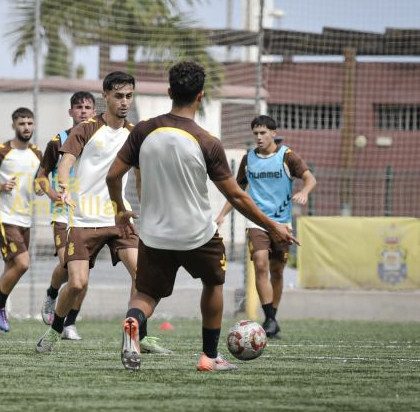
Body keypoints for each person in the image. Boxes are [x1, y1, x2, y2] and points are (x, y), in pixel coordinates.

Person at [106, 61, 297, 371]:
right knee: (212, 283)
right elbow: (235, 195)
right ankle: (209, 357)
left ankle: (133, 321)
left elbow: (113, 177)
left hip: (154, 233)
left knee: (146, 294)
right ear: (201, 96)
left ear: (170, 92)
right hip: (198, 234)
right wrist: (272, 224)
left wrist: (119, 210)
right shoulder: (207, 141)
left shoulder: (142, 131)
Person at [36, 71, 170, 355]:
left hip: (119, 218)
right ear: (105, 96)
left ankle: (138, 335)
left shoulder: (134, 134)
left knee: (143, 276)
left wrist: (150, 208)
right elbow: (66, 162)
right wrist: (63, 184)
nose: (125, 102)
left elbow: (140, 176)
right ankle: (54, 330)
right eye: (119, 96)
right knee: (76, 284)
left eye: (129, 96)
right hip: (84, 219)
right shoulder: (86, 128)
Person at [215, 115, 316, 338]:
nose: (259, 137)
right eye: (255, 134)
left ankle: (272, 317)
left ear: (273, 133)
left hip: (282, 223)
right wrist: (222, 214)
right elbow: (237, 192)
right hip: (257, 222)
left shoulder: (287, 156)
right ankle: (269, 318)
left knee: (277, 270)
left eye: (263, 133)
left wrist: (304, 192)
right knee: (260, 263)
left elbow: (310, 178)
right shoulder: (248, 159)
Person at [0, 107, 42, 334]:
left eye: (30, 123)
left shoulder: (37, 153)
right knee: (23, 263)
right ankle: (0, 307)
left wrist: (42, 189)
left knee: (11, 269)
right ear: (13, 125)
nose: (26, 128)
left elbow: (40, 183)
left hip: (24, 219)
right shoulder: (0, 152)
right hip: (3, 217)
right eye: (22, 124)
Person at [34, 91, 96, 340]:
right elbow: (40, 177)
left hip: (91, 216)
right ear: (71, 112)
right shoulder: (57, 141)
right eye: (78, 107)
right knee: (68, 265)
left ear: (94, 112)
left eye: (88, 107)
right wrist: (51, 194)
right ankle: (52, 294)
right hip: (63, 215)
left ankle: (69, 324)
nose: (83, 111)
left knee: (83, 277)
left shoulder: (100, 141)